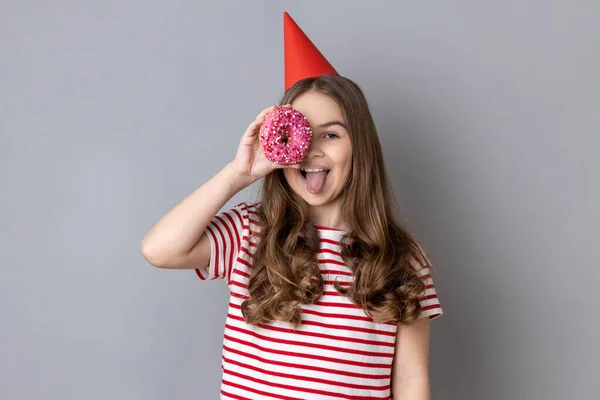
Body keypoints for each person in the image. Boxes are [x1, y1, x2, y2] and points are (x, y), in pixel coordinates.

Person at [141, 12, 442, 400]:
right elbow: (158, 249)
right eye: (297, 134)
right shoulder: (250, 233)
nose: (312, 149)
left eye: (331, 134)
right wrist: (239, 173)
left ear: (360, 146)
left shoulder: (402, 258)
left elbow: (411, 380)